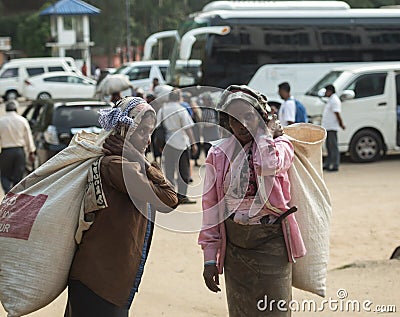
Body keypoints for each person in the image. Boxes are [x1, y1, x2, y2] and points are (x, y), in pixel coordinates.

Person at [65, 97, 179, 317]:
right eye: (142, 131)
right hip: (99, 282)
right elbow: (169, 199)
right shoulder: (116, 166)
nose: (148, 139)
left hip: (102, 279)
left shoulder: (121, 163)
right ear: (124, 129)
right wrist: (138, 157)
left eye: (150, 131)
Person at [198, 85, 306, 317]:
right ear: (227, 123)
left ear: (261, 117)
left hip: (271, 245)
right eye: (235, 119)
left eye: (249, 117)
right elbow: (211, 208)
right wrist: (210, 260)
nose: (243, 124)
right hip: (235, 249)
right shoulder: (218, 154)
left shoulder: (281, 146)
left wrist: (265, 133)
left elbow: (268, 165)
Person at [157, 89, 198, 204]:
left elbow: (157, 126)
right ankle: (182, 196)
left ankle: (170, 197)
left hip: (167, 142)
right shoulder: (181, 109)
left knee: (169, 170)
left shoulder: (163, 109)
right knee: (183, 171)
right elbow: (188, 128)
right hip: (181, 143)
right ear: (179, 97)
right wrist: (193, 143)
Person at [0, 100, 36, 193]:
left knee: (4, 175)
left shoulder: (1, 121)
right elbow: (28, 137)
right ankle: (15, 195)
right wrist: (31, 152)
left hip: (5, 152)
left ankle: (8, 193)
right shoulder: (22, 120)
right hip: (19, 151)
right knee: (18, 176)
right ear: (16, 109)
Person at [322, 84, 345, 172]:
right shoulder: (330, 100)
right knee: (329, 146)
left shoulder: (335, 100)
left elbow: (337, 114)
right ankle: (328, 163)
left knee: (333, 146)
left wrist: (341, 124)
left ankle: (335, 164)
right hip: (328, 127)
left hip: (332, 127)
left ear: (330, 91)